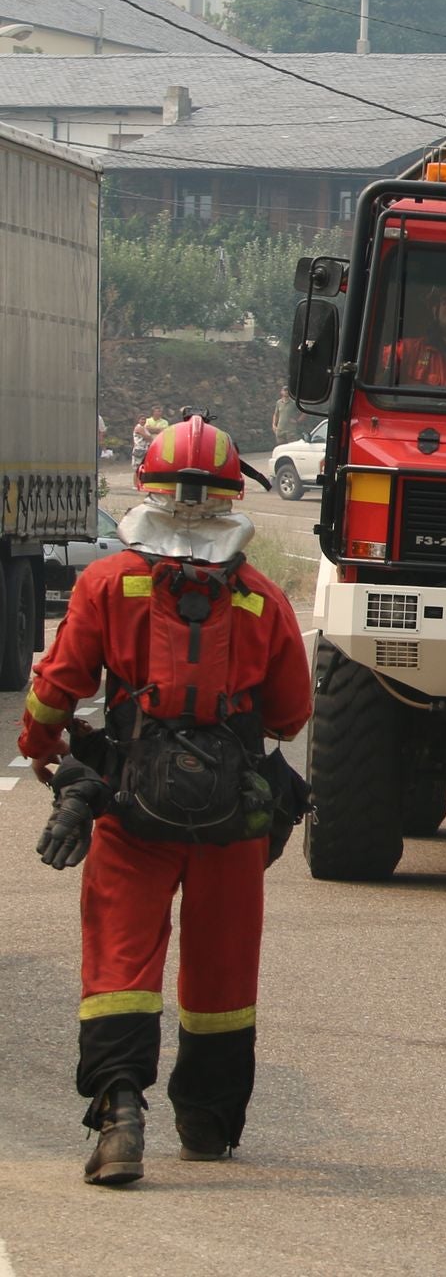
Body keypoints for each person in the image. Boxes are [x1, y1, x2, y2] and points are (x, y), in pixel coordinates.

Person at [18, 413, 312, 1186]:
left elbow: (56, 690)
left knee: (119, 959)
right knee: (220, 975)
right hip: (232, 826)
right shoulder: (261, 599)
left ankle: (119, 1118)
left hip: (126, 811)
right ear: (229, 496)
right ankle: (208, 1125)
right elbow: (289, 715)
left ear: (148, 490)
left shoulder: (108, 584)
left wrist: (40, 751)